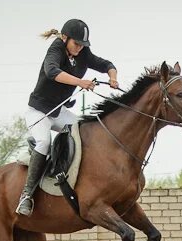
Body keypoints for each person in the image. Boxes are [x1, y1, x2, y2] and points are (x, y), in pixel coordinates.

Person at [17, 19, 119, 216]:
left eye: (83, 45)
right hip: (39, 112)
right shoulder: (55, 49)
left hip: (59, 111)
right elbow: (52, 72)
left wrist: (112, 77)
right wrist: (81, 82)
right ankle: (26, 195)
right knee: (44, 142)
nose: (79, 48)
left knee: (82, 131)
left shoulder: (82, 53)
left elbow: (106, 64)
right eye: (76, 44)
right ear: (65, 38)